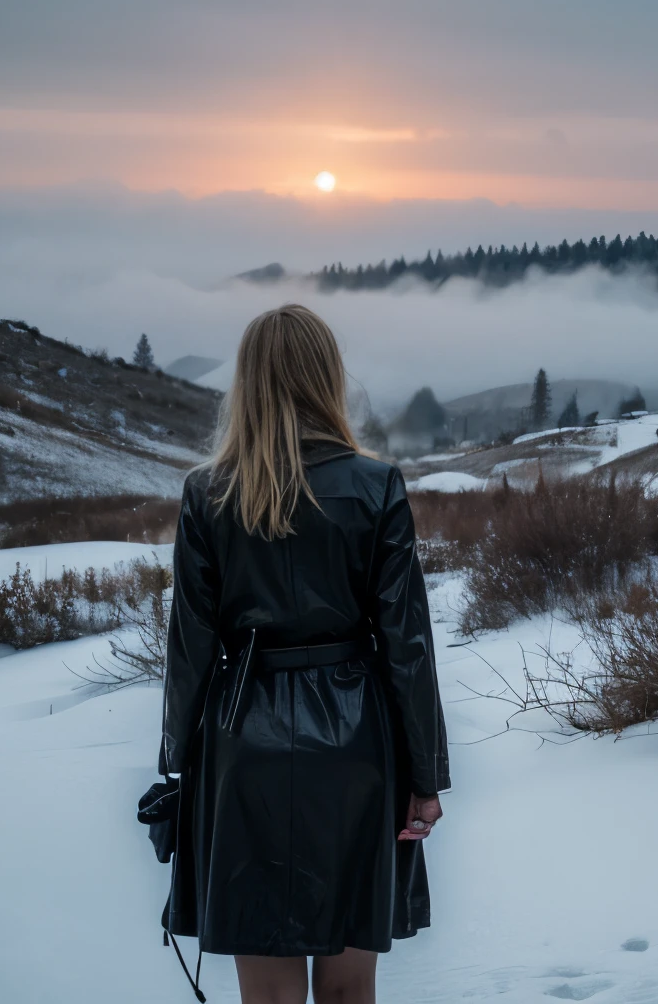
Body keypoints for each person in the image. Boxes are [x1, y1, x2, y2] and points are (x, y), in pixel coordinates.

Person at [159, 304, 449, 1004]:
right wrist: (426, 776)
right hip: (357, 750)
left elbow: (190, 649)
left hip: (242, 749)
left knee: (268, 998)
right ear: (326, 378)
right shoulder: (375, 486)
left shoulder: (208, 493)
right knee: (349, 990)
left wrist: (176, 765)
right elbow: (406, 644)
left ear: (248, 383)